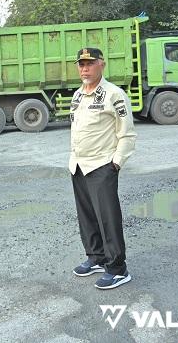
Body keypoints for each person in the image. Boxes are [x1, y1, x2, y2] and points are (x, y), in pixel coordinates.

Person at [69, 47, 137, 289]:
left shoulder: (113, 94)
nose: (84, 68)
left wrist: (116, 163)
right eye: (81, 64)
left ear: (102, 65)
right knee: (87, 217)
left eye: (90, 63)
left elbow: (127, 133)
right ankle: (96, 257)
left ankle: (118, 269)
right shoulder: (78, 94)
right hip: (79, 165)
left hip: (102, 165)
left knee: (107, 218)